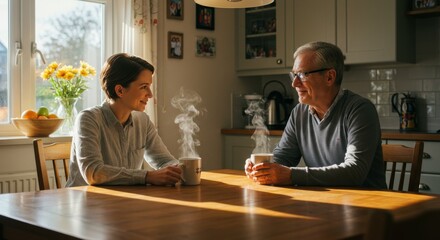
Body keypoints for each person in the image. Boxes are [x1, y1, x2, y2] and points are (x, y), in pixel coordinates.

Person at [245, 41, 387, 189]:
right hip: (325, 202)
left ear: (330, 77)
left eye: (302, 74)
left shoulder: (360, 110)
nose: (294, 84)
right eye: (294, 75)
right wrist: (262, 167)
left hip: (367, 204)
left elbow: (354, 171)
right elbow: (284, 157)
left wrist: (290, 175)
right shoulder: (299, 112)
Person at [66, 53, 181, 187]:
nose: (150, 94)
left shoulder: (143, 121)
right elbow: (94, 173)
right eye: (144, 87)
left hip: (124, 201)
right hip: (84, 203)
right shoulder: (88, 119)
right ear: (120, 90)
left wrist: (181, 168)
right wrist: (147, 176)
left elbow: (164, 161)